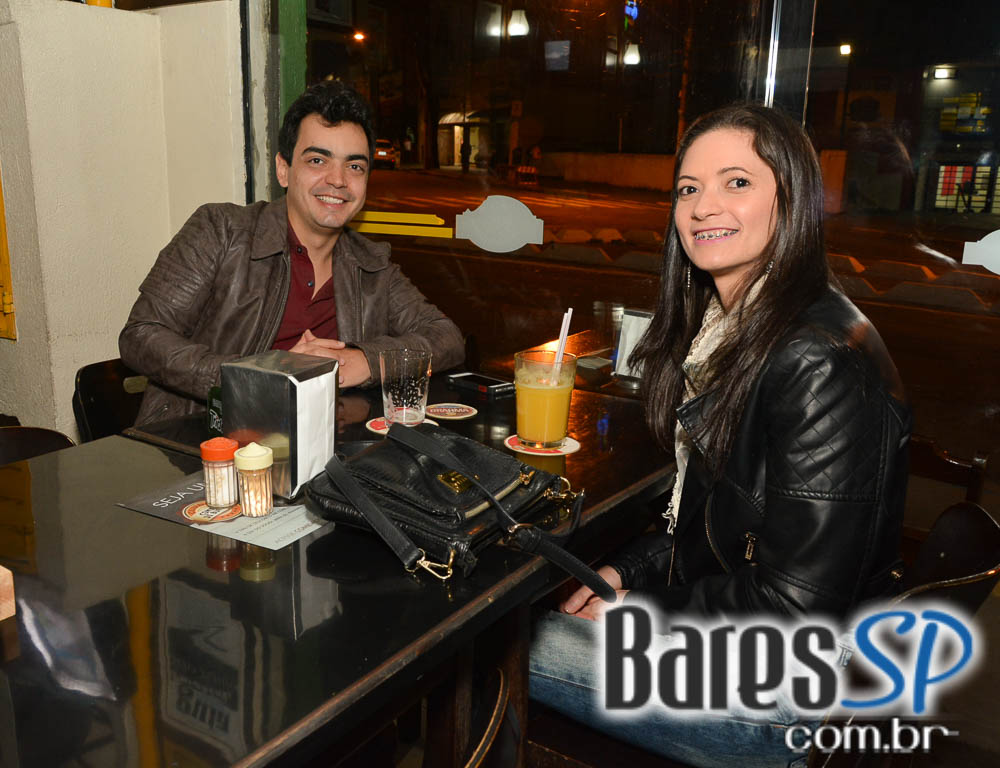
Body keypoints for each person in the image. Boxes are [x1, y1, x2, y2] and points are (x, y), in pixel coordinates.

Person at [528, 104, 911, 767]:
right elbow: (713, 523)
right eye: (688, 188)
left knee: (495, 641)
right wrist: (625, 572)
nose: (704, 206)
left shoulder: (817, 357)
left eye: (737, 182)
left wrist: (636, 609)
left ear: (791, 199)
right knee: (541, 607)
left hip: (791, 697)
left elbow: (794, 612)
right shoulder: (734, 332)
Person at [120, 81, 464, 425]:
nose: (338, 180)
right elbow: (140, 335)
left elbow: (446, 337)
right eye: (317, 160)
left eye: (355, 166)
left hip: (322, 442)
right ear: (283, 170)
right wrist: (262, 374)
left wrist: (368, 362)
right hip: (203, 437)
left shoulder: (371, 264)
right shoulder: (221, 230)